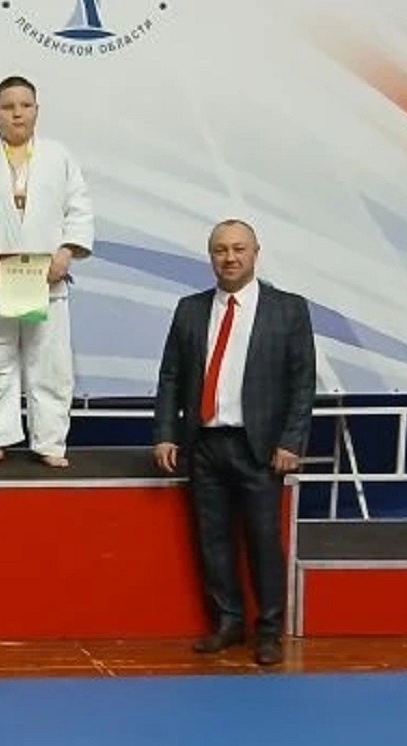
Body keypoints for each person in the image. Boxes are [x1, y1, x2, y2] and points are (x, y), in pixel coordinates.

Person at [152, 219, 316, 667]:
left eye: (239, 249)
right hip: (204, 444)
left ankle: (269, 632)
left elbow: (302, 382)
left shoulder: (288, 309)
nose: (230, 258)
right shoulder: (190, 309)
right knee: (213, 541)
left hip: (259, 447)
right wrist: (165, 433)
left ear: (255, 253)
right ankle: (228, 623)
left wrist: (291, 441)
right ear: (211, 257)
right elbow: (170, 377)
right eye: (221, 250)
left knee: (263, 541)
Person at [0, 76, 94, 468]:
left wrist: (66, 252)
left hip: (46, 281)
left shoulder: (58, 156)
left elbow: (79, 209)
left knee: (50, 365)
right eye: (8, 106)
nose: (17, 113)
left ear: (37, 111)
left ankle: (49, 443)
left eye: (25, 106)